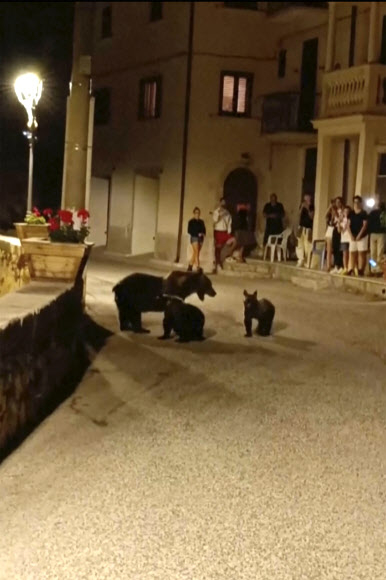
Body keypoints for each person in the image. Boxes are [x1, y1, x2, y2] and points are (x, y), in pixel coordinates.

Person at [213, 197, 236, 270]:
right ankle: (217, 263)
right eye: (222, 202)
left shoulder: (227, 213)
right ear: (220, 203)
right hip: (218, 230)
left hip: (225, 231)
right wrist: (220, 215)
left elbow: (229, 223)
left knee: (234, 240)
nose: (223, 204)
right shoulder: (216, 212)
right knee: (218, 248)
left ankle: (226, 256)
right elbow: (214, 221)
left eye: (224, 203)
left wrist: (229, 231)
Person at [348, 195, 368, 276]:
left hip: (361, 236)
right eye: (355, 202)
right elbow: (348, 225)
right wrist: (351, 235)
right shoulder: (351, 213)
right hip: (353, 235)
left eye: (357, 202)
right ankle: (351, 268)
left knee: (361, 253)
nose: (356, 204)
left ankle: (360, 269)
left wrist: (359, 235)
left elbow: (364, 225)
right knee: (352, 252)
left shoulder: (363, 213)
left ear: (360, 203)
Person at [368, 194, 386, 275]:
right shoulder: (376, 213)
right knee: (376, 253)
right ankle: (375, 269)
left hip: (377, 234)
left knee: (376, 253)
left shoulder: (376, 213)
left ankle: (376, 269)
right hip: (378, 234)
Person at [296, 194, 314, 268]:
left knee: (307, 245)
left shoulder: (312, 206)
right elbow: (299, 215)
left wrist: (307, 207)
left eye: (307, 199)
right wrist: (302, 207)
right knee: (300, 244)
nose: (305, 200)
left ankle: (307, 261)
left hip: (308, 228)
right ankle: (300, 259)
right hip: (301, 227)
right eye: (305, 199)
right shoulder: (302, 205)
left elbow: (311, 216)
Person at [187, 207, 206, 271]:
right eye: (196, 213)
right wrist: (197, 233)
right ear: (194, 213)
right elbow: (189, 231)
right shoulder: (191, 221)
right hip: (194, 237)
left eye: (198, 213)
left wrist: (202, 233)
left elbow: (204, 230)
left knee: (196, 253)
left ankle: (190, 265)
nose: (197, 214)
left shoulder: (201, 221)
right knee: (196, 252)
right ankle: (198, 267)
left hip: (201, 238)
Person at [337, 205, 352, 275]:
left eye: (347, 211)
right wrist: (339, 222)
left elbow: (347, 228)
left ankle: (350, 268)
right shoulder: (342, 220)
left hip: (350, 238)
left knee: (350, 254)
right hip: (343, 238)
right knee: (344, 253)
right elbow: (339, 231)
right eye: (345, 211)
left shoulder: (350, 219)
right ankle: (345, 267)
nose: (346, 212)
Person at [325, 198, 336, 272]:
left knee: (334, 249)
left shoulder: (338, 212)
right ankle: (328, 265)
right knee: (328, 249)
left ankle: (335, 264)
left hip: (335, 230)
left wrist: (335, 211)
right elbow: (325, 216)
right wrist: (329, 208)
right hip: (329, 230)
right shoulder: (329, 214)